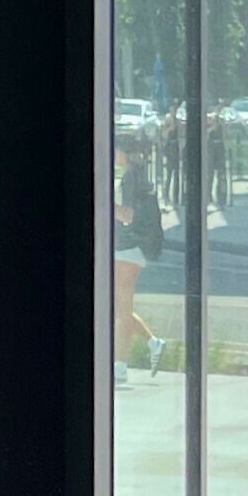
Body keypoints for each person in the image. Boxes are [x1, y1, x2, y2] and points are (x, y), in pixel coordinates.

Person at [114, 143, 167, 370]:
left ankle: (120, 365)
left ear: (123, 154)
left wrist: (104, 201)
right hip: (129, 247)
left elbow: (127, 215)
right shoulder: (136, 176)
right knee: (117, 308)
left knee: (122, 309)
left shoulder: (129, 179)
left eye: (116, 150)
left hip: (127, 247)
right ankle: (153, 343)